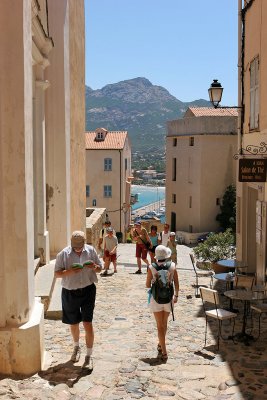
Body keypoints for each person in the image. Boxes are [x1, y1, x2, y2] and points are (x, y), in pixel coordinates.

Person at [54, 230, 102, 369]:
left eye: (80, 246)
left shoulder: (91, 251)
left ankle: (89, 354)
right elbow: (57, 274)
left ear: (84, 242)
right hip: (70, 292)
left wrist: (94, 267)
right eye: (76, 247)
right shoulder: (63, 254)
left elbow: (99, 268)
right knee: (73, 323)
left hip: (88, 290)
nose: (78, 249)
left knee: (88, 323)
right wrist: (69, 271)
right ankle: (76, 347)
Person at [146, 245, 179, 361]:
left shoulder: (151, 267)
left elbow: (147, 284)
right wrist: (176, 295)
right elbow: (176, 282)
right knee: (164, 324)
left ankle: (164, 351)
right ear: (166, 256)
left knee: (159, 326)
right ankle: (161, 344)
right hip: (169, 299)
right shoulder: (173, 266)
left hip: (156, 299)